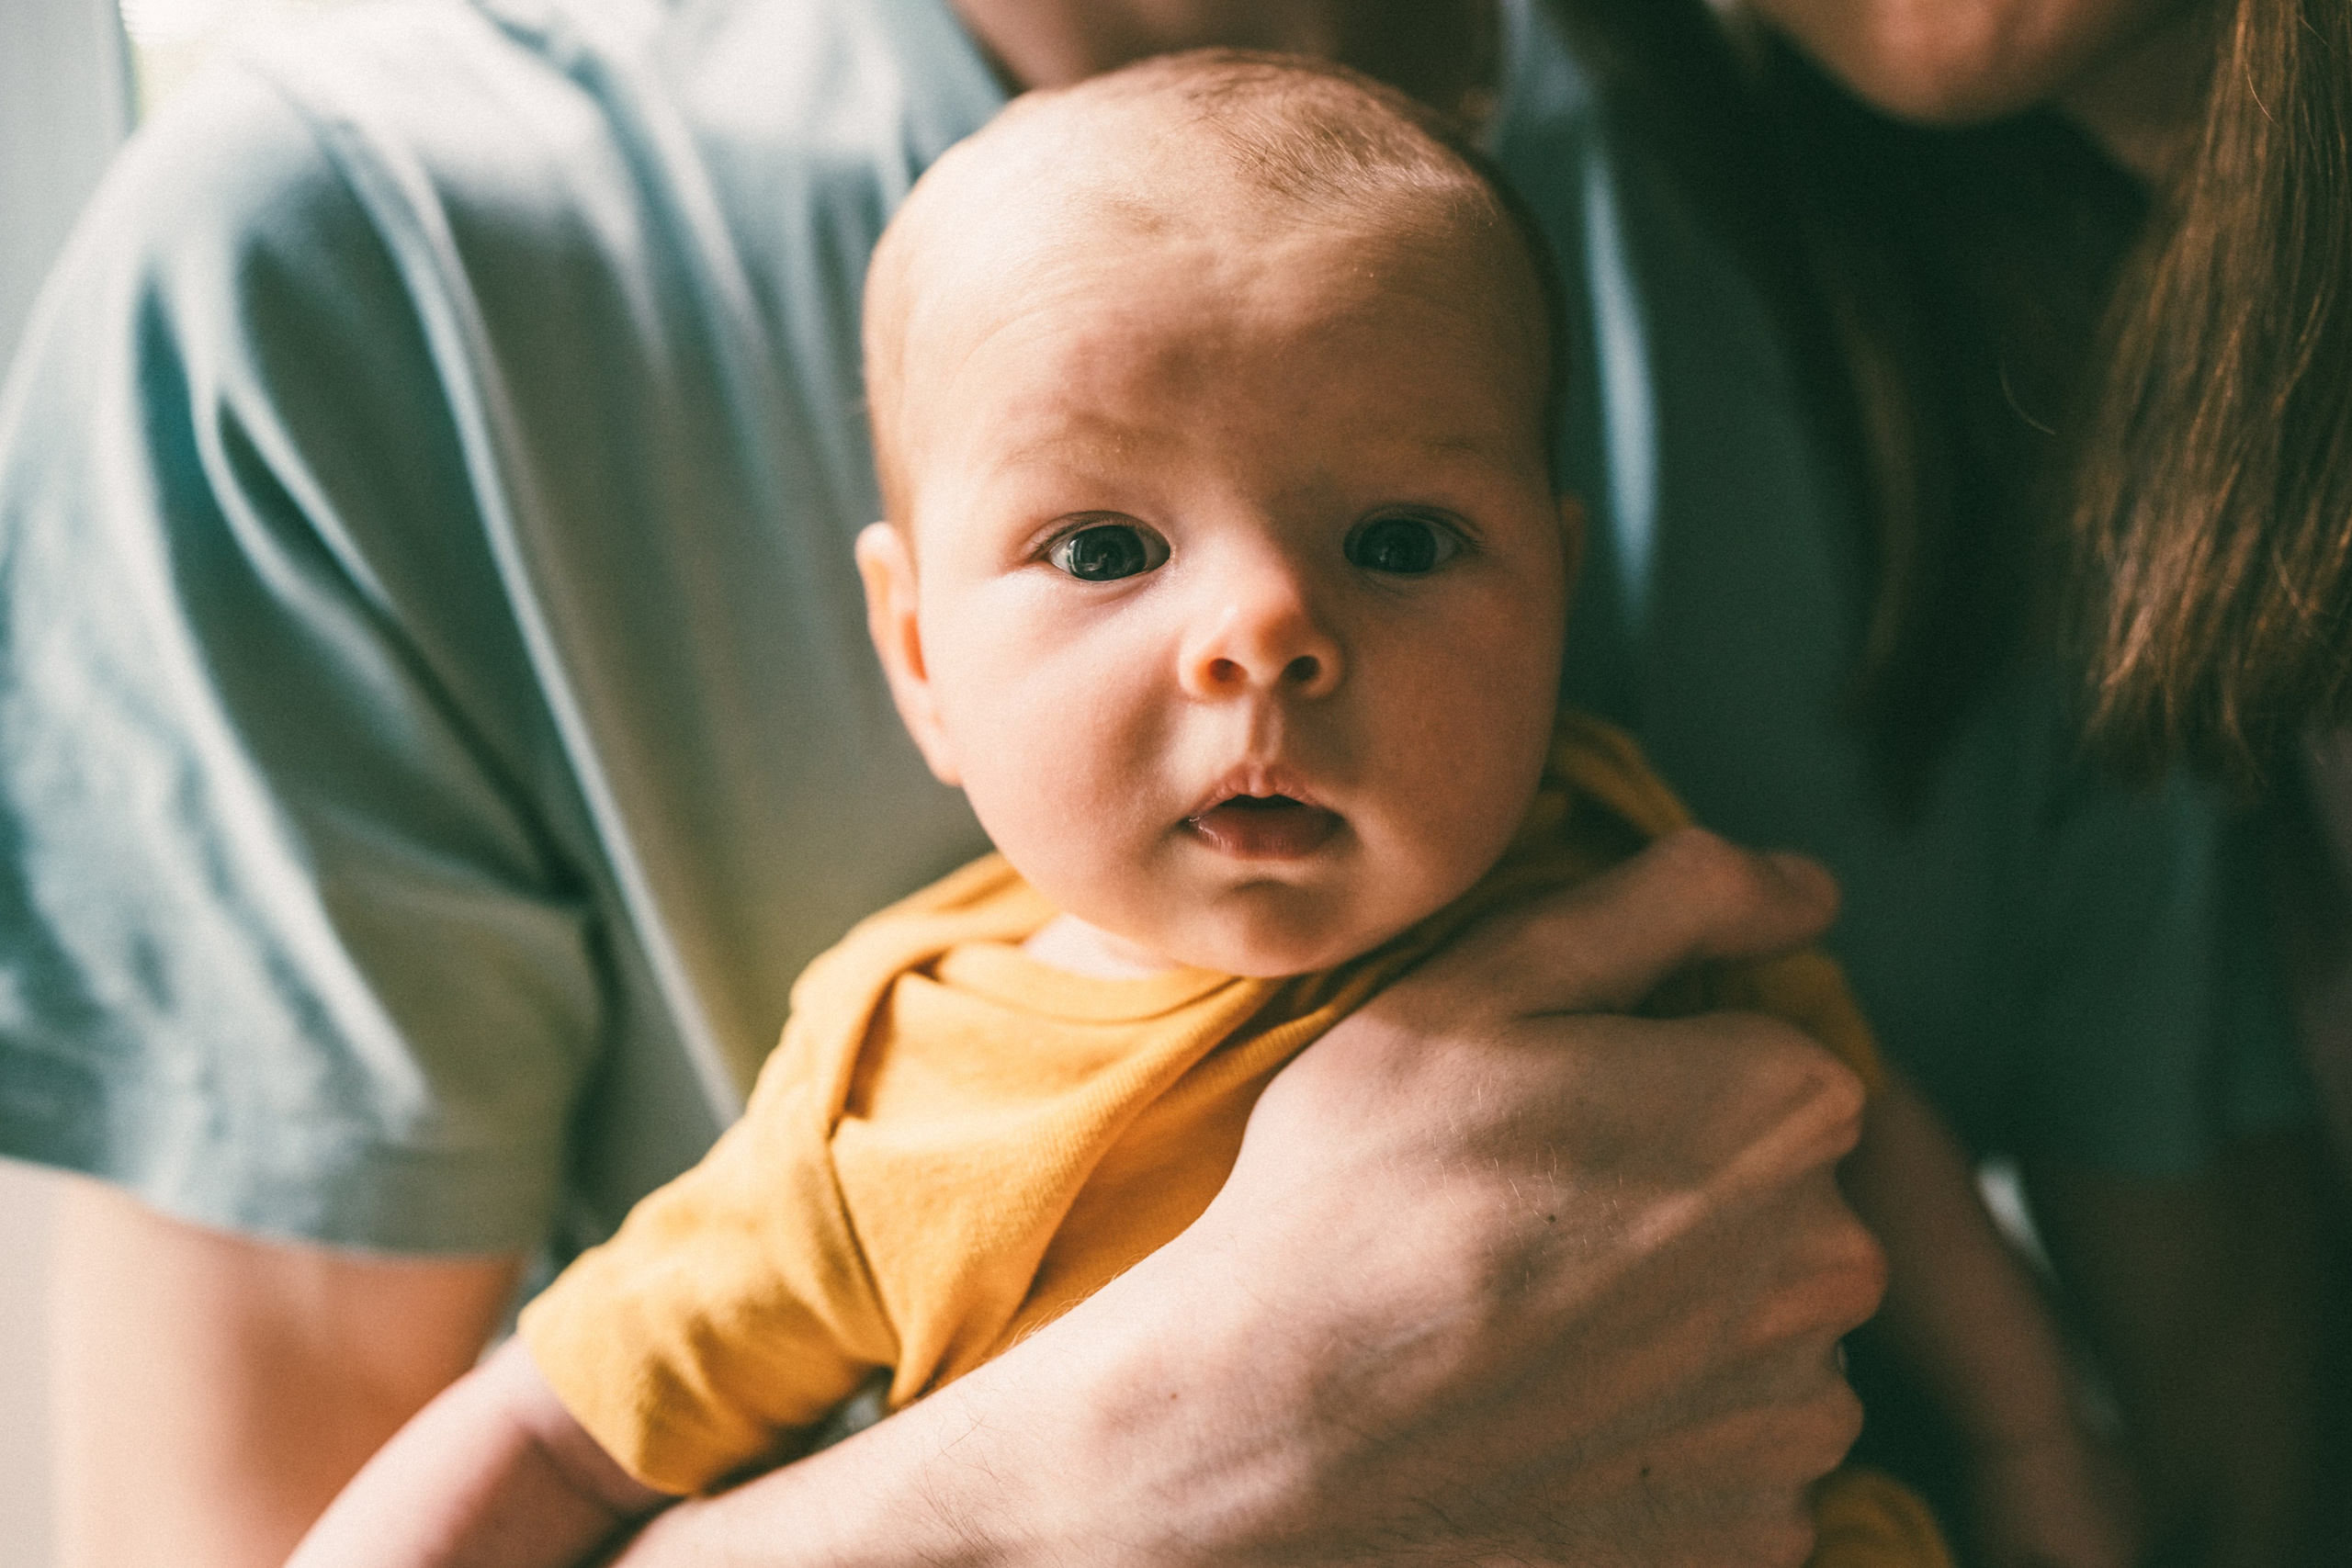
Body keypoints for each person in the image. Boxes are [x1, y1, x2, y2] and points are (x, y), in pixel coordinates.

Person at [0, 0, 2288, 1562]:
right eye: (1095, 549)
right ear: (913, 637)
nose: (1260, 636)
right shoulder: (352, 276)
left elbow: (2212, 1424)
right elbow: (420, 1473)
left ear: (1547, 569)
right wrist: (1107, 1486)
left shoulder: (1956, 156)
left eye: (1404, 546)